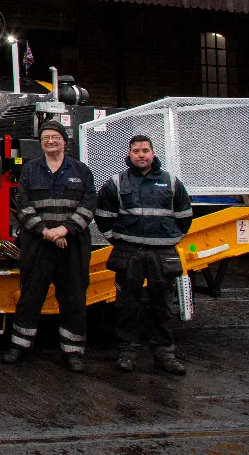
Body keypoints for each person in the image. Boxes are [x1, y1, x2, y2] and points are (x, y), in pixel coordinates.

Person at [2, 119, 97, 372]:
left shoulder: (82, 171)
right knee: (31, 295)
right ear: (41, 143)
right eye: (45, 138)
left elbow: (88, 206)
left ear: (65, 141)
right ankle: (20, 345)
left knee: (74, 297)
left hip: (73, 245)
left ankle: (73, 351)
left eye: (55, 137)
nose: (50, 142)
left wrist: (64, 230)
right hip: (38, 244)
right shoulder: (31, 170)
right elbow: (23, 206)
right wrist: (47, 232)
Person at [95, 135, 192, 375]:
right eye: (136, 151)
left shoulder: (171, 182)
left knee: (162, 306)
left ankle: (164, 354)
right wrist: (117, 240)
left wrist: (171, 239)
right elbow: (103, 215)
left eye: (145, 150)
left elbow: (185, 216)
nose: (141, 155)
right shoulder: (116, 183)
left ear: (153, 153)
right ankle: (126, 352)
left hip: (162, 254)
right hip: (130, 253)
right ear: (129, 154)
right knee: (128, 306)